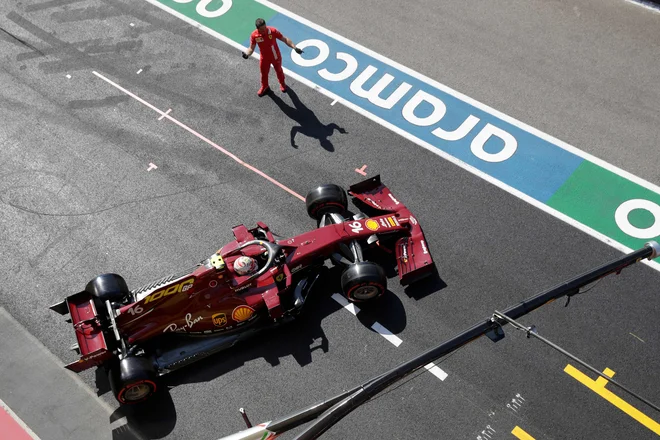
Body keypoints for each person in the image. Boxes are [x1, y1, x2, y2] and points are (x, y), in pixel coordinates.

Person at [242, 18, 304, 97]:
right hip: (264, 58)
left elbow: (285, 39)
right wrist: (247, 54)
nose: (265, 30)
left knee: (279, 71)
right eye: (262, 29)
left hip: (275, 57)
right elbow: (251, 48)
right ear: (257, 29)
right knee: (263, 73)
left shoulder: (272, 31)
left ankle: (282, 83)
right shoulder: (254, 35)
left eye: (265, 27)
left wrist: (294, 47)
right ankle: (265, 87)